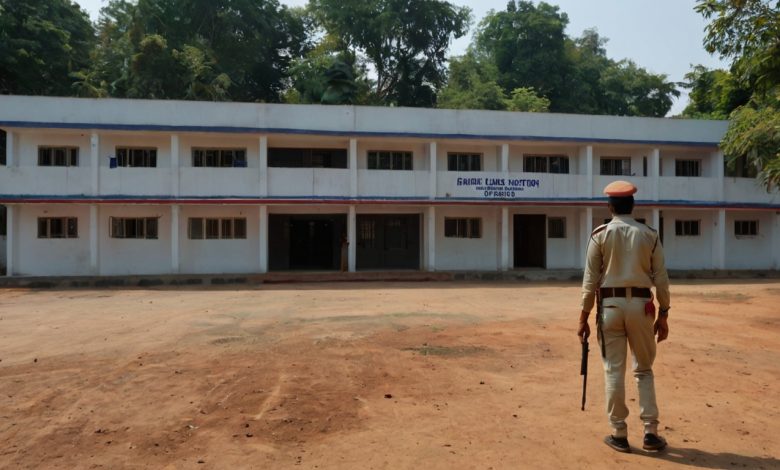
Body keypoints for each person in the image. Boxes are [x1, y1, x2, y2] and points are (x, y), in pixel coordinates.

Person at [578, 180, 671, 453]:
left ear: (609, 207)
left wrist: (583, 317)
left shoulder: (600, 235)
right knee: (643, 369)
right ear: (633, 205)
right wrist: (664, 314)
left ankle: (619, 433)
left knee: (613, 370)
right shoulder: (649, 235)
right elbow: (662, 280)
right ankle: (650, 433)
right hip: (643, 306)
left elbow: (589, 281)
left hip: (609, 308)